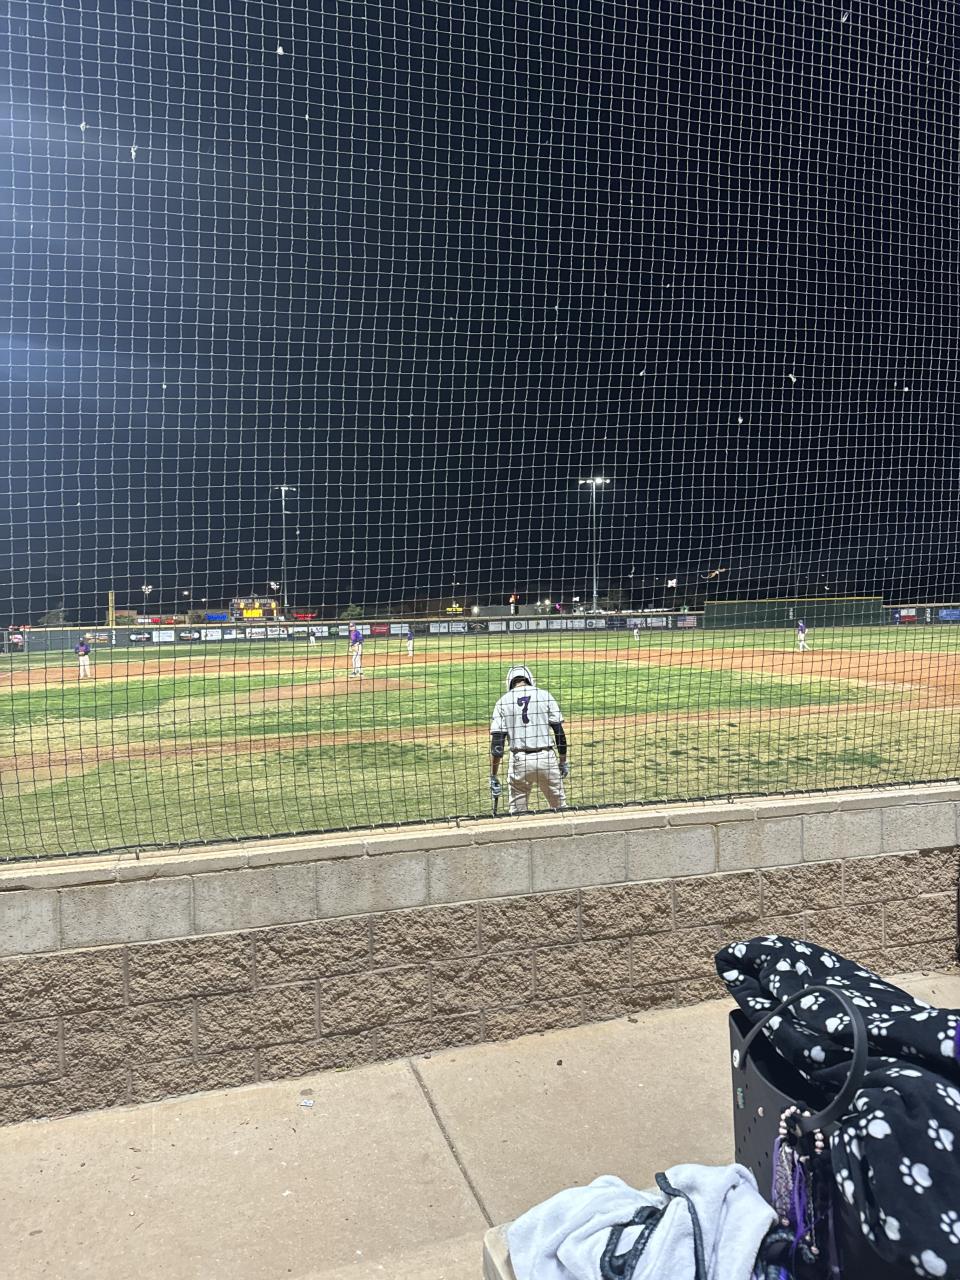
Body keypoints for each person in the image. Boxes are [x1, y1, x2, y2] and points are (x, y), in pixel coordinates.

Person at [489, 664, 570, 814]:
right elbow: (559, 733)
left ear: (510, 682)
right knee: (561, 810)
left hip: (519, 762)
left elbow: (497, 746)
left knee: (518, 814)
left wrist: (493, 776)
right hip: (546, 759)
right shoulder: (545, 695)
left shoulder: (502, 702)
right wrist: (563, 762)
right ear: (529, 679)